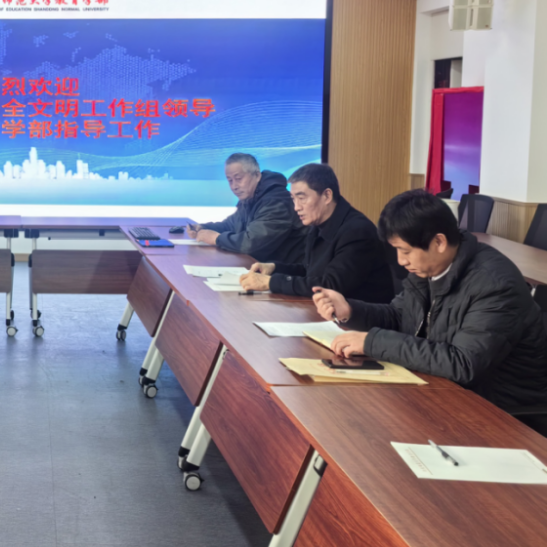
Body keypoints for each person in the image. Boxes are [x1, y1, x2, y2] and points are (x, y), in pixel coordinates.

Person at [313, 189, 547, 411]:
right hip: (448, 391)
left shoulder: (495, 284)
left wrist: (372, 342)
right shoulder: (430, 267)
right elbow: (400, 316)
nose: (401, 261)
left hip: (500, 410)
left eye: (405, 251)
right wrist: (350, 310)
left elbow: (463, 363)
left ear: (439, 242)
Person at [240, 163, 394, 303]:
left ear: (327, 196)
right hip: (326, 312)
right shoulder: (318, 224)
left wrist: (270, 282)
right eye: (293, 199)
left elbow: (330, 285)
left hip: (358, 319)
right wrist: (274, 268)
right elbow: (310, 271)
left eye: (302, 198)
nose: (296, 207)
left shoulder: (357, 232)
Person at [188, 153, 307, 263]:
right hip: (261, 267)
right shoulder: (249, 198)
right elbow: (230, 225)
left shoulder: (276, 201)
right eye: (230, 180)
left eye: (238, 179)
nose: (234, 186)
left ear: (257, 175)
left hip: (285, 272)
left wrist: (217, 239)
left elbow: (252, 243)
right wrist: (203, 228)